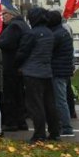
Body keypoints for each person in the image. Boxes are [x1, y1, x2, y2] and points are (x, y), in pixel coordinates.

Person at [16, 7, 61, 143]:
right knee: (49, 103)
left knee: (35, 105)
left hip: (32, 72)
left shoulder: (32, 34)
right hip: (46, 72)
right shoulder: (49, 32)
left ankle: (39, 134)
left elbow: (23, 52)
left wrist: (17, 63)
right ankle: (54, 132)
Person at [48, 10, 75, 137]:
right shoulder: (62, 32)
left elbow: (49, 51)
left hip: (58, 71)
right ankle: (63, 124)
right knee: (60, 99)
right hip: (63, 69)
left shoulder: (56, 35)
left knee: (60, 100)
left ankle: (66, 127)